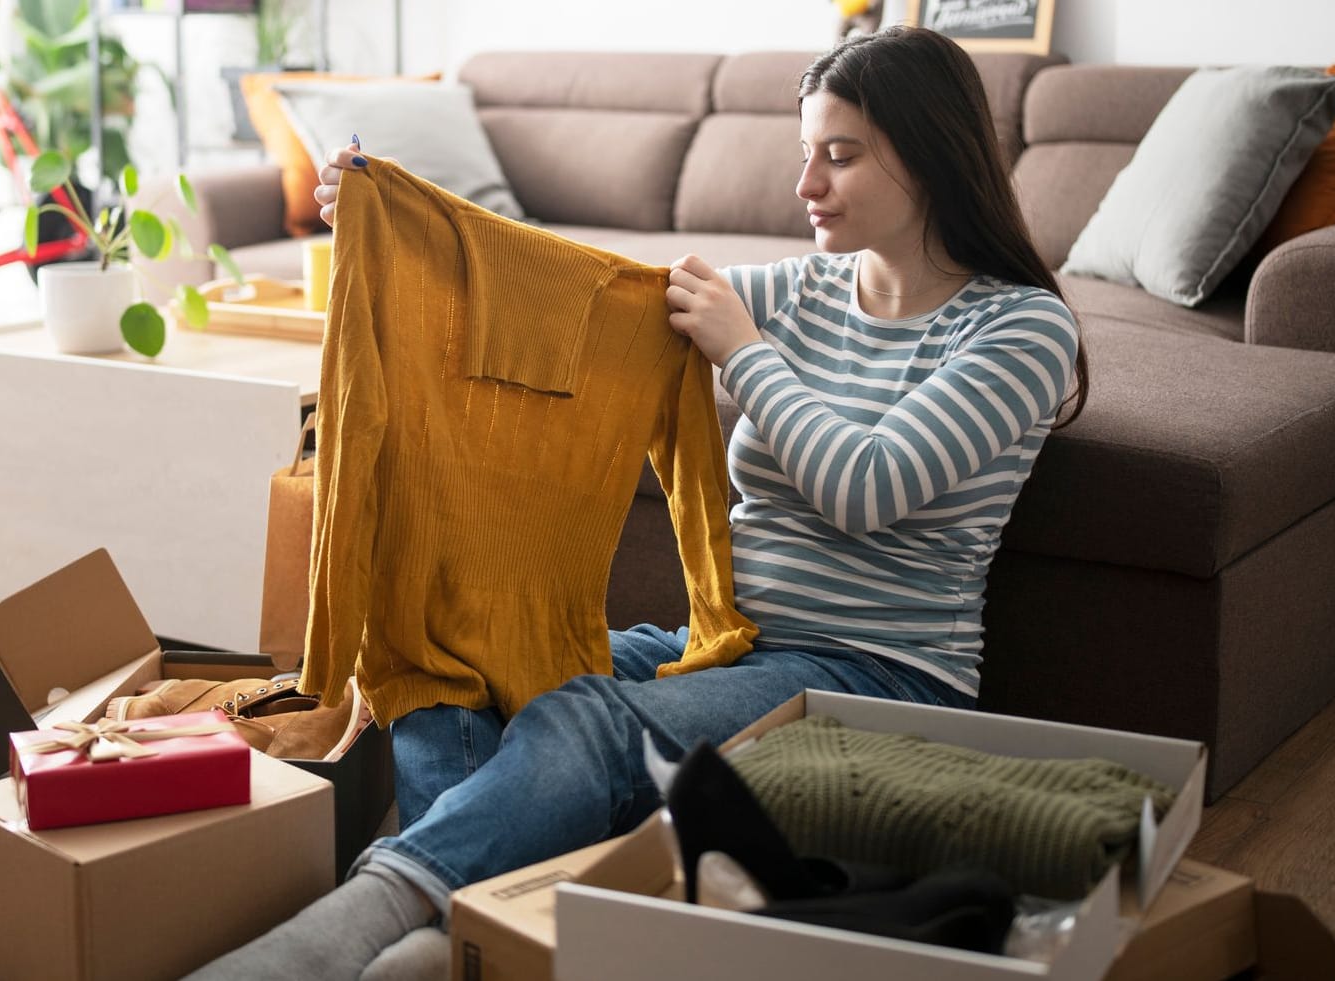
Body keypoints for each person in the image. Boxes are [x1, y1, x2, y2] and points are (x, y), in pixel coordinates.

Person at [188, 25, 1084, 981]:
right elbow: (582, 300)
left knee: (584, 722)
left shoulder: (1020, 329)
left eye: (841, 155)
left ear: (933, 156)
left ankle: (354, 926)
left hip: (878, 675)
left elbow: (867, 486)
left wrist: (744, 352)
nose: (806, 185)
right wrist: (405, 223)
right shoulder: (805, 290)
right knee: (454, 653)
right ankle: (468, 934)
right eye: (804, 153)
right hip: (733, 645)